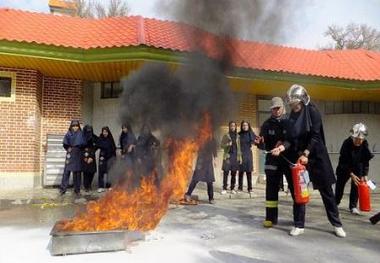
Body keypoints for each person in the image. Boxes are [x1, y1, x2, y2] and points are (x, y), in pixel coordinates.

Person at [271, 84, 346, 238]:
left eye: (295, 104)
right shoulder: (292, 115)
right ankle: (299, 224)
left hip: (317, 156)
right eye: (291, 104)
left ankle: (337, 224)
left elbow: (316, 135)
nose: (293, 107)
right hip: (300, 159)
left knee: (327, 192)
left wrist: (307, 153)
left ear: (302, 101)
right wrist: (282, 148)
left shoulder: (312, 111)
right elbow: (291, 139)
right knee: (299, 192)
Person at [258, 97, 287, 228]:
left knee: (294, 189)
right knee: (271, 191)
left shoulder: (289, 121)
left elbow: (294, 139)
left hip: (288, 160)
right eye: (273, 109)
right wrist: (260, 143)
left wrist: (283, 144)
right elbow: (262, 144)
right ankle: (270, 218)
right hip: (272, 161)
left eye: (278, 108)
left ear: (283, 107)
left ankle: (298, 221)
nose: (275, 111)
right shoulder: (267, 124)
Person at [335, 123, 374, 215]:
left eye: (361, 139)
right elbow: (343, 161)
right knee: (340, 186)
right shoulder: (346, 143)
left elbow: (365, 160)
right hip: (345, 167)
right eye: (356, 139)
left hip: (358, 166)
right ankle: (335, 203)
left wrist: (365, 174)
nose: (358, 141)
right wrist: (351, 174)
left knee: (356, 186)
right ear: (352, 137)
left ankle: (353, 206)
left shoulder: (364, 144)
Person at [185, 138, 217, 204]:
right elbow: (194, 147)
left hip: (208, 162)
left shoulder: (211, 138)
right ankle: (188, 194)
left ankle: (211, 198)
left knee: (210, 181)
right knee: (195, 179)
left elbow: (214, 148)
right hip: (200, 161)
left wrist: (215, 159)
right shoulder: (200, 135)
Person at [60, 120, 85, 196]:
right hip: (70, 153)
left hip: (78, 153)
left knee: (77, 172)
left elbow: (84, 145)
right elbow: (65, 144)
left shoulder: (81, 134)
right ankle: (63, 189)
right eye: (73, 126)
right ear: (71, 126)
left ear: (78, 126)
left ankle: (77, 190)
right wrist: (68, 148)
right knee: (66, 171)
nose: (75, 127)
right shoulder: (68, 134)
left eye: (76, 126)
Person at [238, 121, 260, 193]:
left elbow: (256, 142)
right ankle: (240, 187)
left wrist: (257, 142)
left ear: (248, 126)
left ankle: (250, 188)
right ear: (241, 126)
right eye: (243, 125)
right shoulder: (239, 134)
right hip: (240, 154)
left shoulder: (251, 133)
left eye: (246, 125)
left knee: (248, 172)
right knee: (240, 172)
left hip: (248, 154)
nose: (245, 126)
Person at [220, 121, 241, 195]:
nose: (232, 127)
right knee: (226, 172)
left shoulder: (238, 136)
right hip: (228, 156)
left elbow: (239, 148)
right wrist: (228, 144)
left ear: (235, 127)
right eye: (231, 126)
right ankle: (224, 188)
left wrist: (240, 158)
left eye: (234, 126)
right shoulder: (226, 135)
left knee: (234, 173)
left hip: (235, 156)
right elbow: (221, 145)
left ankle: (232, 188)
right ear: (229, 127)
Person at [97, 126, 116, 192]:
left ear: (108, 132)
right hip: (102, 157)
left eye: (106, 132)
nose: (105, 133)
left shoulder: (110, 139)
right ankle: (100, 186)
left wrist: (114, 157)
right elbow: (98, 145)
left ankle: (109, 186)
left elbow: (114, 148)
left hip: (110, 157)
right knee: (101, 172)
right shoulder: (100, 138)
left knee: (109, 172)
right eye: (103, 132)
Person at [82, 125, 98, 192]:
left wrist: (91, 156)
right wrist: (84, 157)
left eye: (90, 130)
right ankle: (86, 186)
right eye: (87, 130)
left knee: (92, 171)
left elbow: (97, 146)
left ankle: (89, 184)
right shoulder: (82, 137)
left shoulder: (94, 137)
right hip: (84, 155)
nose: (89, 131)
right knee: (85, 172)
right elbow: (80, 147)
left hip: (92, 156)